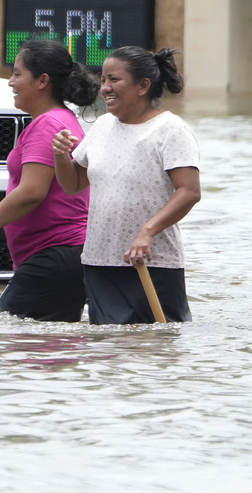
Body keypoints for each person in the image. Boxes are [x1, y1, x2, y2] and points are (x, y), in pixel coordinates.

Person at [52, 46, 201, 325]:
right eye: (103, 80)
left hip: (151, 261)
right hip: (99, 260)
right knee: (107, 352)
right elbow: (73, 184)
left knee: (154, 351)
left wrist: (147, 232)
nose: (104, 88)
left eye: (114, 80)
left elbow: (190, 191)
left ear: (143, 86)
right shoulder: (102, 126)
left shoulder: (171, 130)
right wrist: (61, 155)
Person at [0, 40, 100, 321]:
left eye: (17, 74)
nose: (10, 82)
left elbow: (32, 192)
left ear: (42, 81)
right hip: (62, 256)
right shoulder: (62, 119)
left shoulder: (48, 124)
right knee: (44, 349)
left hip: (55, 254)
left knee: (0, 338)